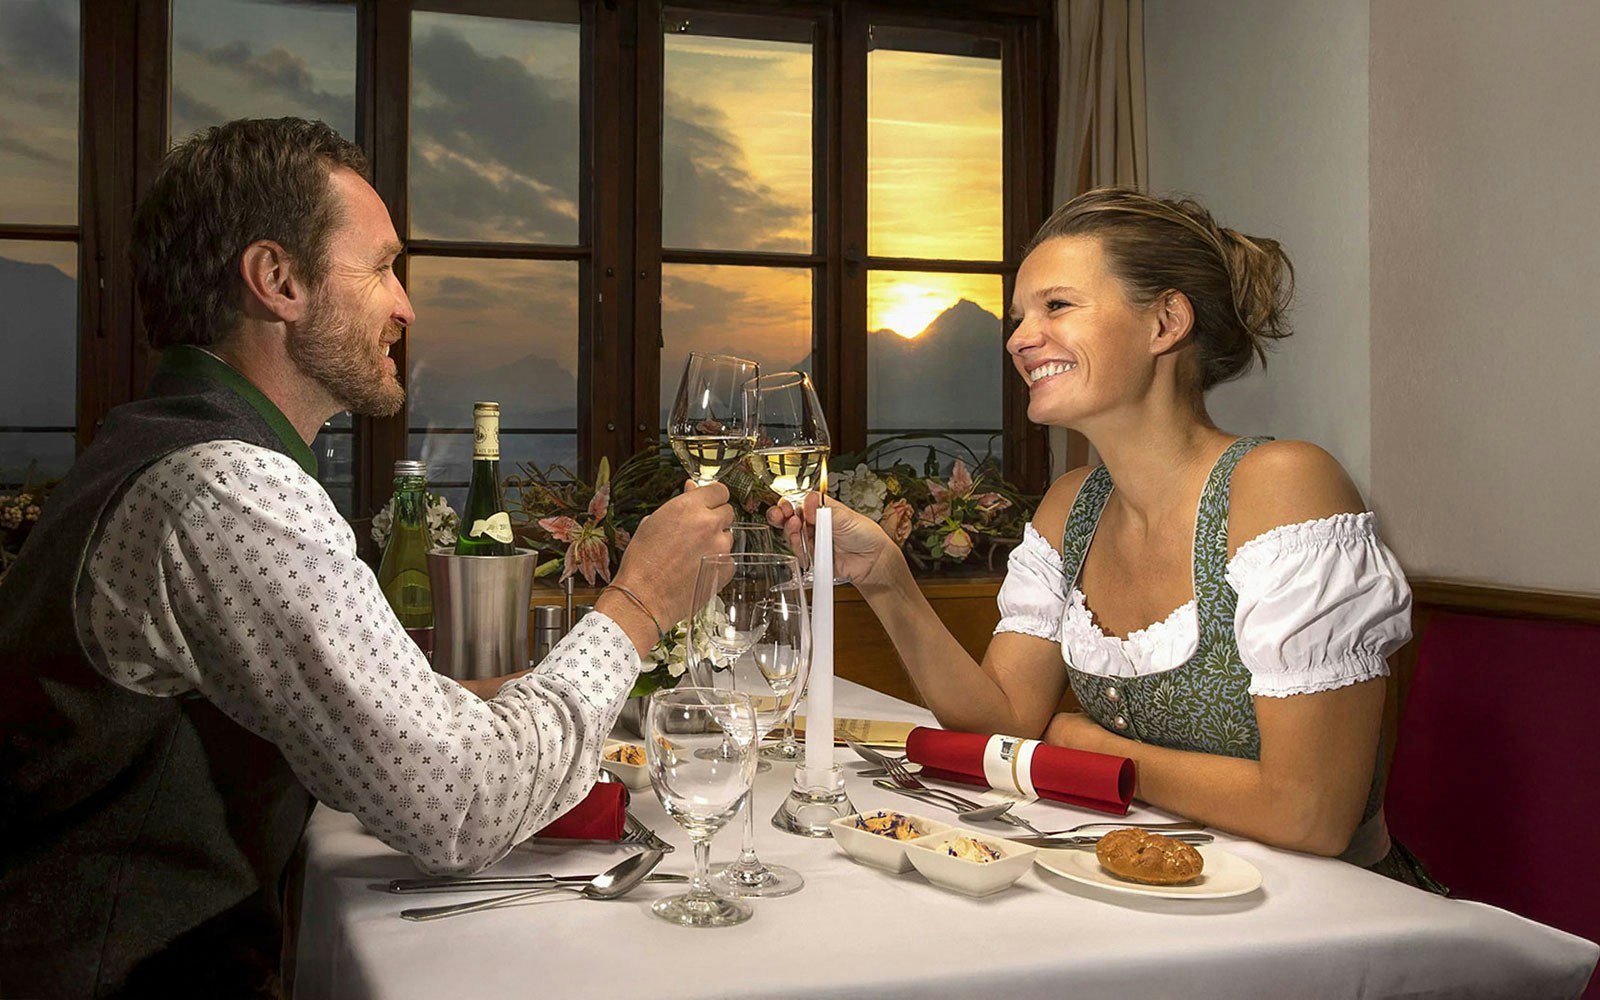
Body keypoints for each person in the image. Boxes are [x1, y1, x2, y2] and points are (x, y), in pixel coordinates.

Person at [0, 117, 734, 998]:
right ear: (279, 281)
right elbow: (459, 807)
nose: (405, 305)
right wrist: (642, 601)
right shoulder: (230, 490)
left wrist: (443, 704)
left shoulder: (160, 446)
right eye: (382, 266)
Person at [776, 188, 1439, 889]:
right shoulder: (1072, 505)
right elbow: (1001, 721)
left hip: (1335, 922)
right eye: (1019, 317)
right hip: (1143, 895)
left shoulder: (1284, 487)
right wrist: (884, 572)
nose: (1019, 337)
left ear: (1166, 322)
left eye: (1056, 306)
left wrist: (1085, 745)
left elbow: (1310, 815)